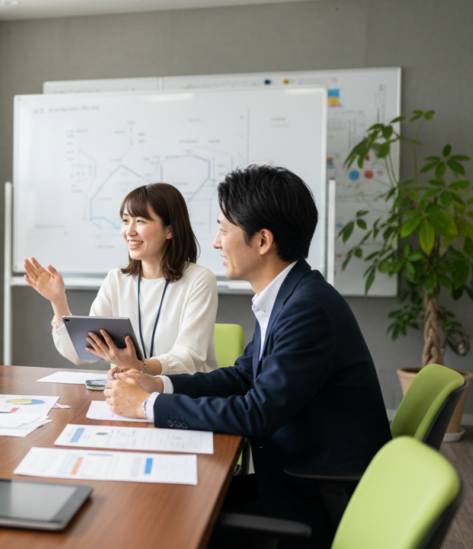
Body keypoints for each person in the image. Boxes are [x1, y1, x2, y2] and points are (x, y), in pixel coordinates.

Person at [104, 166, 391, 548]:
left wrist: (148, 406)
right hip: (295, 476)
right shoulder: (288, 296)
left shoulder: (307, 310)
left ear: (262, 241)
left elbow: (256, 412)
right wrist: (158, 383)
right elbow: (242, 377)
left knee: (165, 520)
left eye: (224, 229)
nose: (217, 242)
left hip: (316, 496)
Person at [24, 182, 218, 375]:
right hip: (130, 395)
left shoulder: (199, 279)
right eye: (126, 221)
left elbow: (188, 358)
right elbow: (82, 353)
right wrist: (58, 301)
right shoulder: (116, 280)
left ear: (170, 230)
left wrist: (139, 366)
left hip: (183, 397)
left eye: (140, 221)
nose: (129, 231)